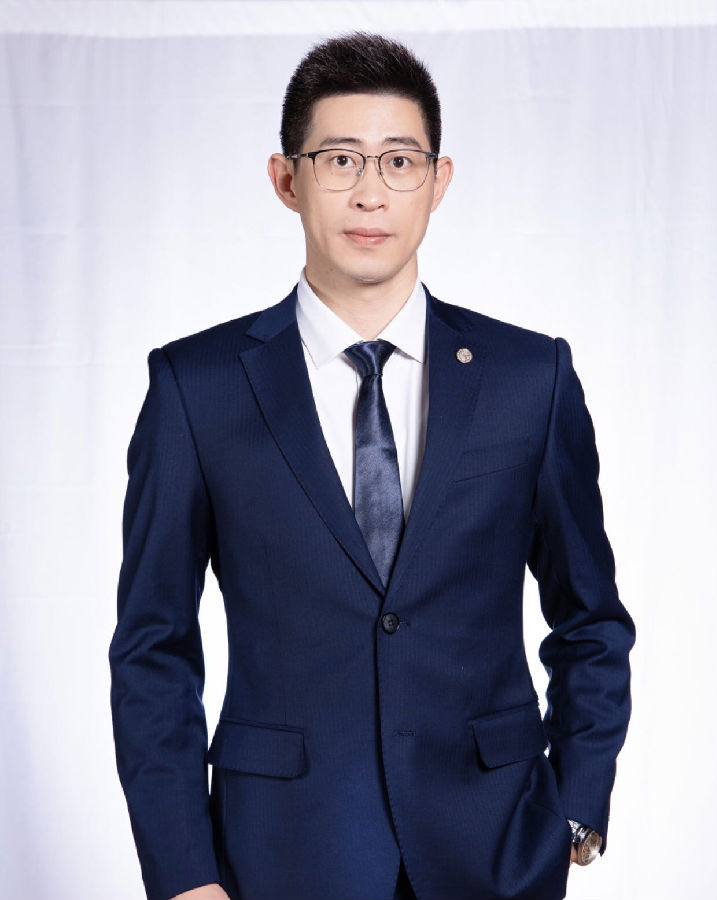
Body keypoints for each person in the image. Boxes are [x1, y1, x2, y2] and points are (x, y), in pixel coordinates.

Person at [109, 32, 635, 900]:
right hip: (278, 854)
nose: (370, 191)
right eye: (340, 159)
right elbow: (151, 649)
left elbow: (591, 621)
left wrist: (576, 808)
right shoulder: (197, 388)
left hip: (496, 852)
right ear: (287, 179)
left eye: (399, 161)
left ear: (439, 180)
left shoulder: (528, 378)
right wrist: (183, 874)